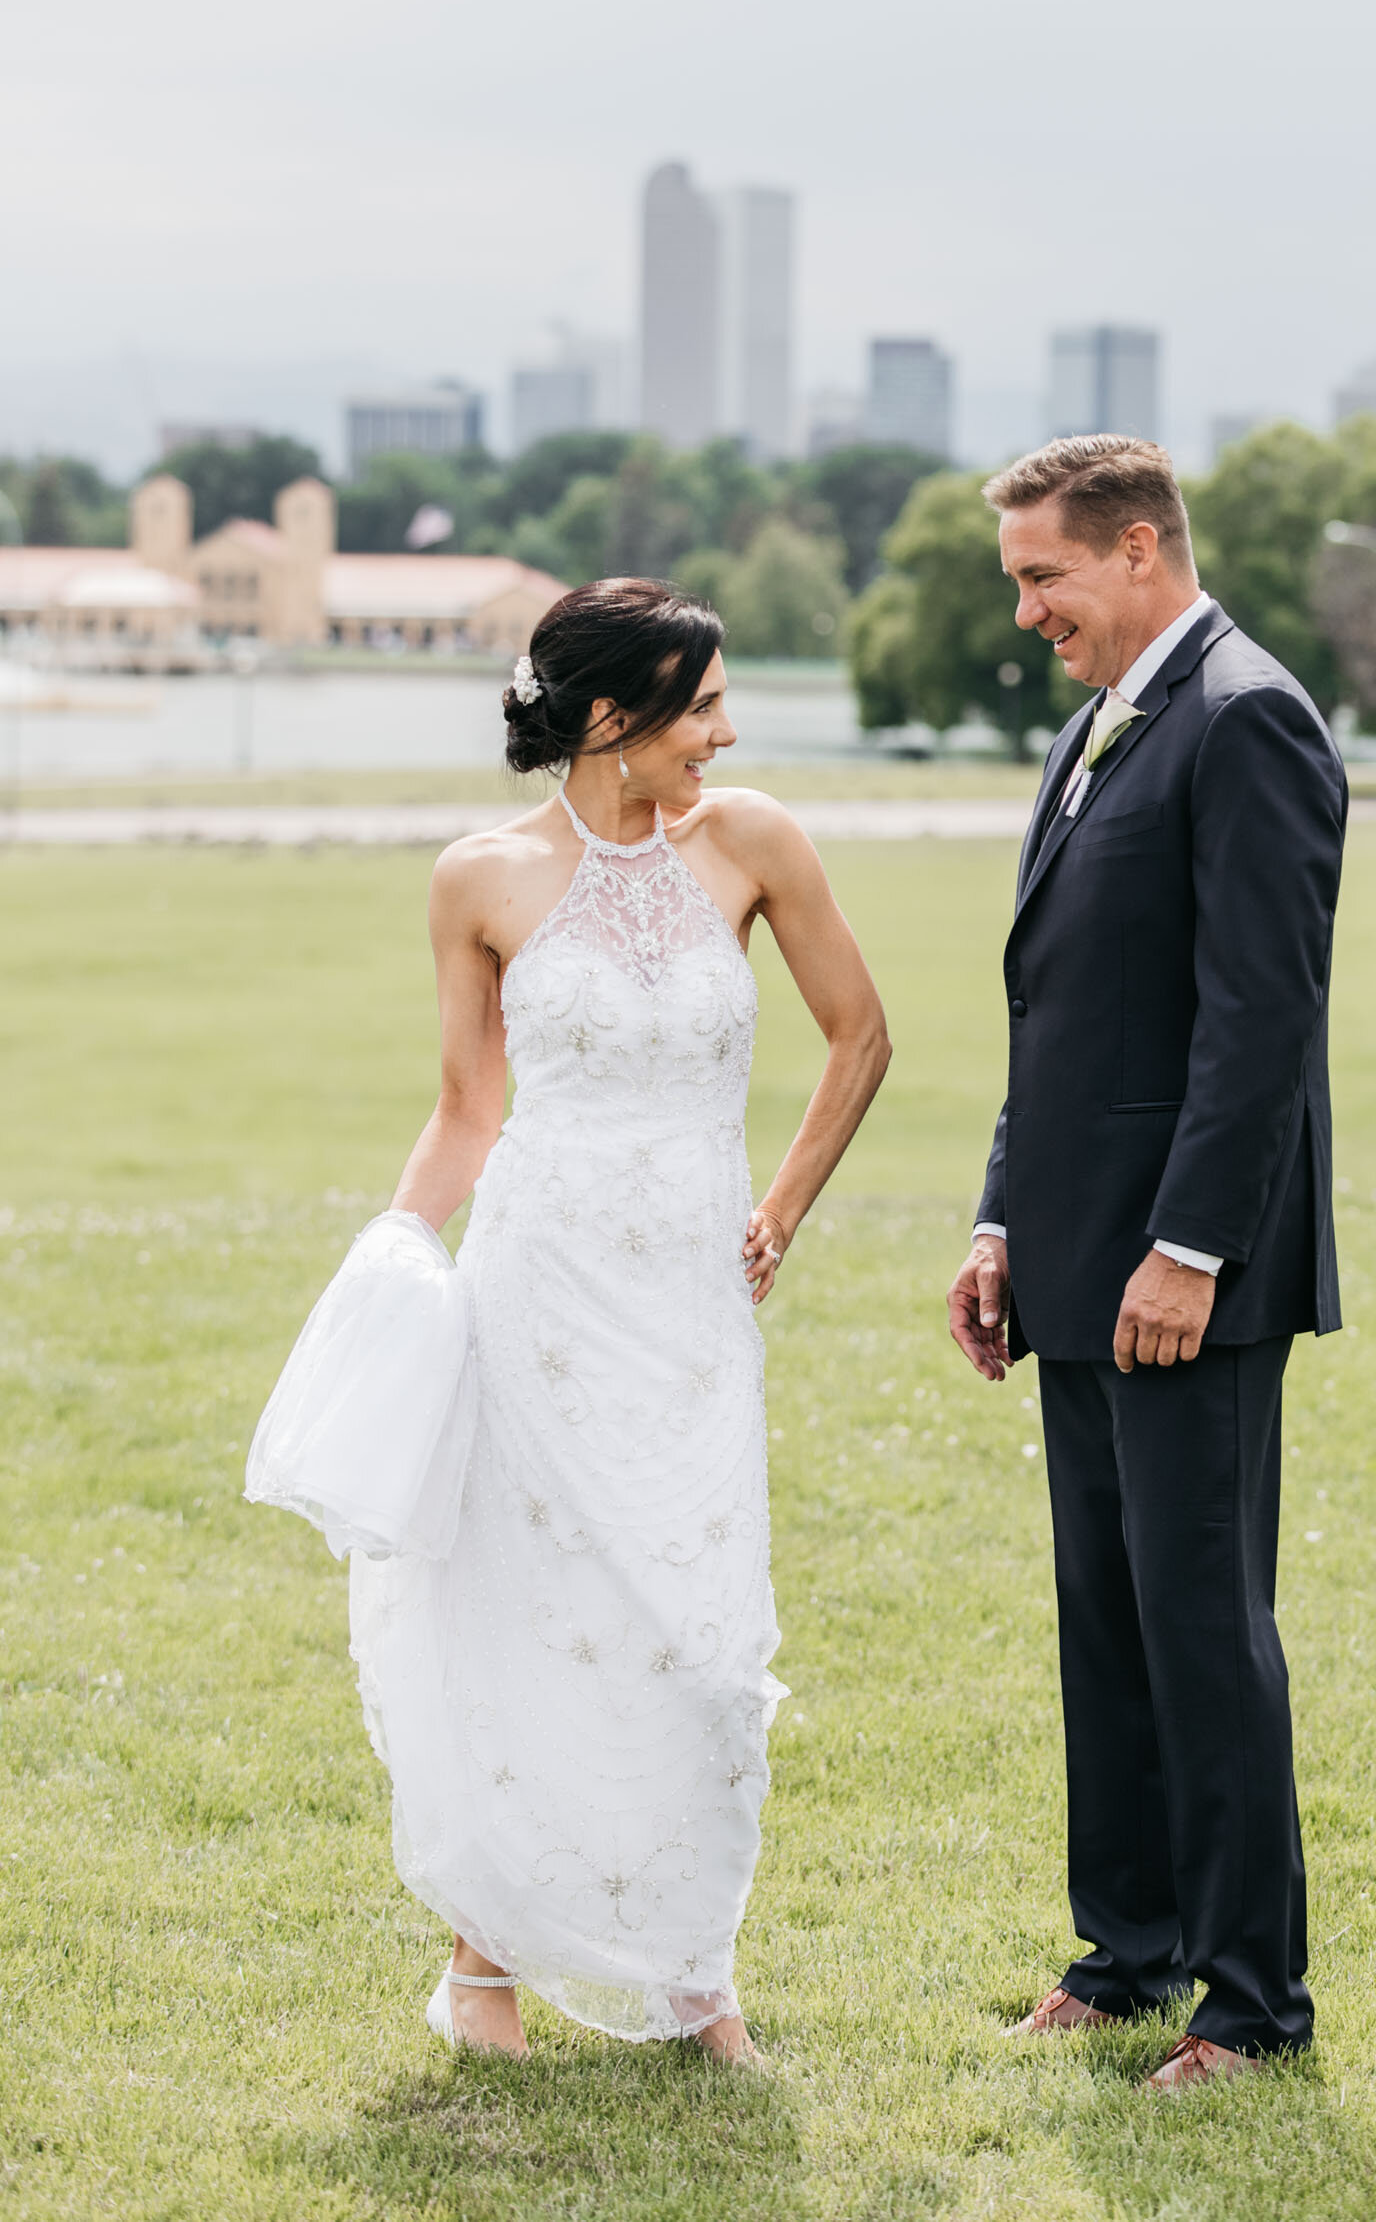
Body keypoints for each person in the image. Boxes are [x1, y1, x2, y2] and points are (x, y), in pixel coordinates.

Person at [350, 578, 890, 2061]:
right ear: (610, 718)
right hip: (537, 1290)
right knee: (527, 1607)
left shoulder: (755, 840)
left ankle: (690, 1971)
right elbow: (469, 1111)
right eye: (700, 705)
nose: (725, 730)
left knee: (701, 1634)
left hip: (691, 1308)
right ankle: (484, 1967)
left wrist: (779, 1206)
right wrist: (397, 1261)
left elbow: (863, 1032)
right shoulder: (479, 878)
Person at [945, 435, 1346, 2094]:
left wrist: (1187, 1246)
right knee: (1103, 1620)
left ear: (1136, 548)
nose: (1028, 612)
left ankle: (1248, 2005)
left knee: (1198, 1624)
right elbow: (1063, 1015)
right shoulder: (1093, 724)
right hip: (1072, 1261)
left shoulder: (1248, 715)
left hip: (1187, 1271)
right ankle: (1123, 1956)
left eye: (1044, 577)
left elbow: (1259, 1019)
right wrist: (999, 1219)